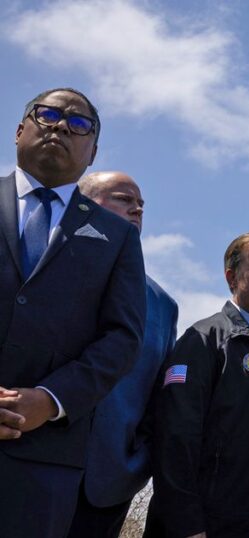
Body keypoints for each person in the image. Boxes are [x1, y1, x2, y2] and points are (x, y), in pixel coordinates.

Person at [0, 88, 146, 538]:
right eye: (47, 114)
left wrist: (50, 400)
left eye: (79, 123)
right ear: (20, 129)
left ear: (92, 153)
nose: (61, 125)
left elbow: (122, 338)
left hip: (45, 464)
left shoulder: (117, 236)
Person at [147, 232, 249, 538]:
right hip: (203, 529)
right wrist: (187, 526)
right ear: (232, 277)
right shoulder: (203, 340)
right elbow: (174, 440)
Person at [68, 171, 178, 537]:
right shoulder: (41, 268)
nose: (136, 209)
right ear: (80, 205)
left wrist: (136, 462)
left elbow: (159, 397)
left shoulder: (162, 305)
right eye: (123, 199)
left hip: (107, 486)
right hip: (25, 467)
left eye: (141, 205)